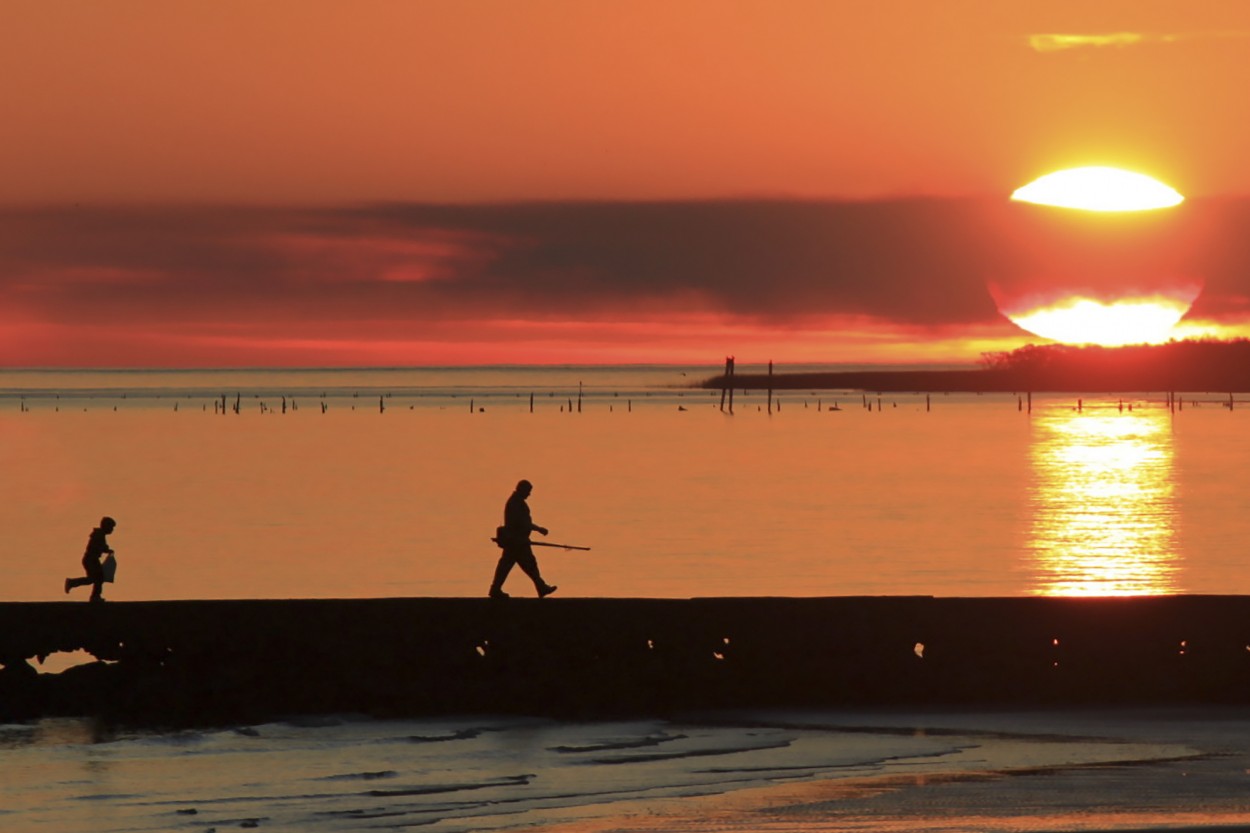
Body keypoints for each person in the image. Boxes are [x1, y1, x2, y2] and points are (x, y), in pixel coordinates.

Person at [489, 479, 557, 599]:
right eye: (528, 491)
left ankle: (541, 587)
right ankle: (540, 587)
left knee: (515, 565)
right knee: (519, 565)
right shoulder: (516, 503)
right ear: (522, 490)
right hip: (517, 542)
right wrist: (539, 529)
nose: (529, 494)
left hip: (517, 541)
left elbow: (524, 523)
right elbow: (524, 523)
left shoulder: (516, 501)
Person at [65, 516, 116, 603]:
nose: (112, 530)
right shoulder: (99, 535)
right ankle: (95, 596)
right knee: (99, 578)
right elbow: (98, 546)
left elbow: (101, 546)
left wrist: (106, 549)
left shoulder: (100, 534)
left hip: (91, 559)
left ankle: (72, 583)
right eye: (111, 527)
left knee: (93, 579)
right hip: (91, 559)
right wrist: (106, 549)